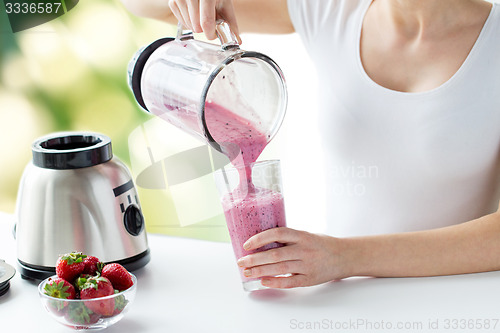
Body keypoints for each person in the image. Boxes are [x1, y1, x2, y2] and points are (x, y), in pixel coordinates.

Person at [121, 0, 500, 288]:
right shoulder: (331, 9)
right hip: (343, 300)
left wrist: (346, 257)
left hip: (456, 297)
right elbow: (139, 5)